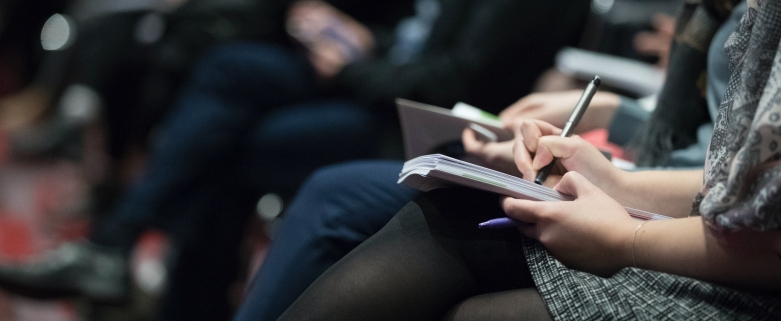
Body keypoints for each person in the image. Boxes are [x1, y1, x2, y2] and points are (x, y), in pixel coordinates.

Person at [0, 0, 590, 320]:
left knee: (234, 146)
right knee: (226, 68)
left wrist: (356, 66)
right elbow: (417, 42)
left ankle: (130, 257)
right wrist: (352, 39)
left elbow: (452, 79)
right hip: (382, 85)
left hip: (426, 127)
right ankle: (126, 252)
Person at [270, 0, 781, 319]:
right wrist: (615, 178)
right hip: (702, 211)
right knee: (441, 213)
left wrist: (627, 235)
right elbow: (739, 175)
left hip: (776, 279)